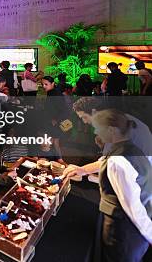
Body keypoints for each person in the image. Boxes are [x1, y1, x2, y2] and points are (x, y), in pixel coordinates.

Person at [67, 110, 151, 262]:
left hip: (124, 232)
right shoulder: (129, 148)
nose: (96, 132)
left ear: (111, 130)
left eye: (98, 129)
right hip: (130, 232)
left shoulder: (118, 162)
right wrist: (82, 170)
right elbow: (103, 162)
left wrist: (149, 234)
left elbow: (134, 207)